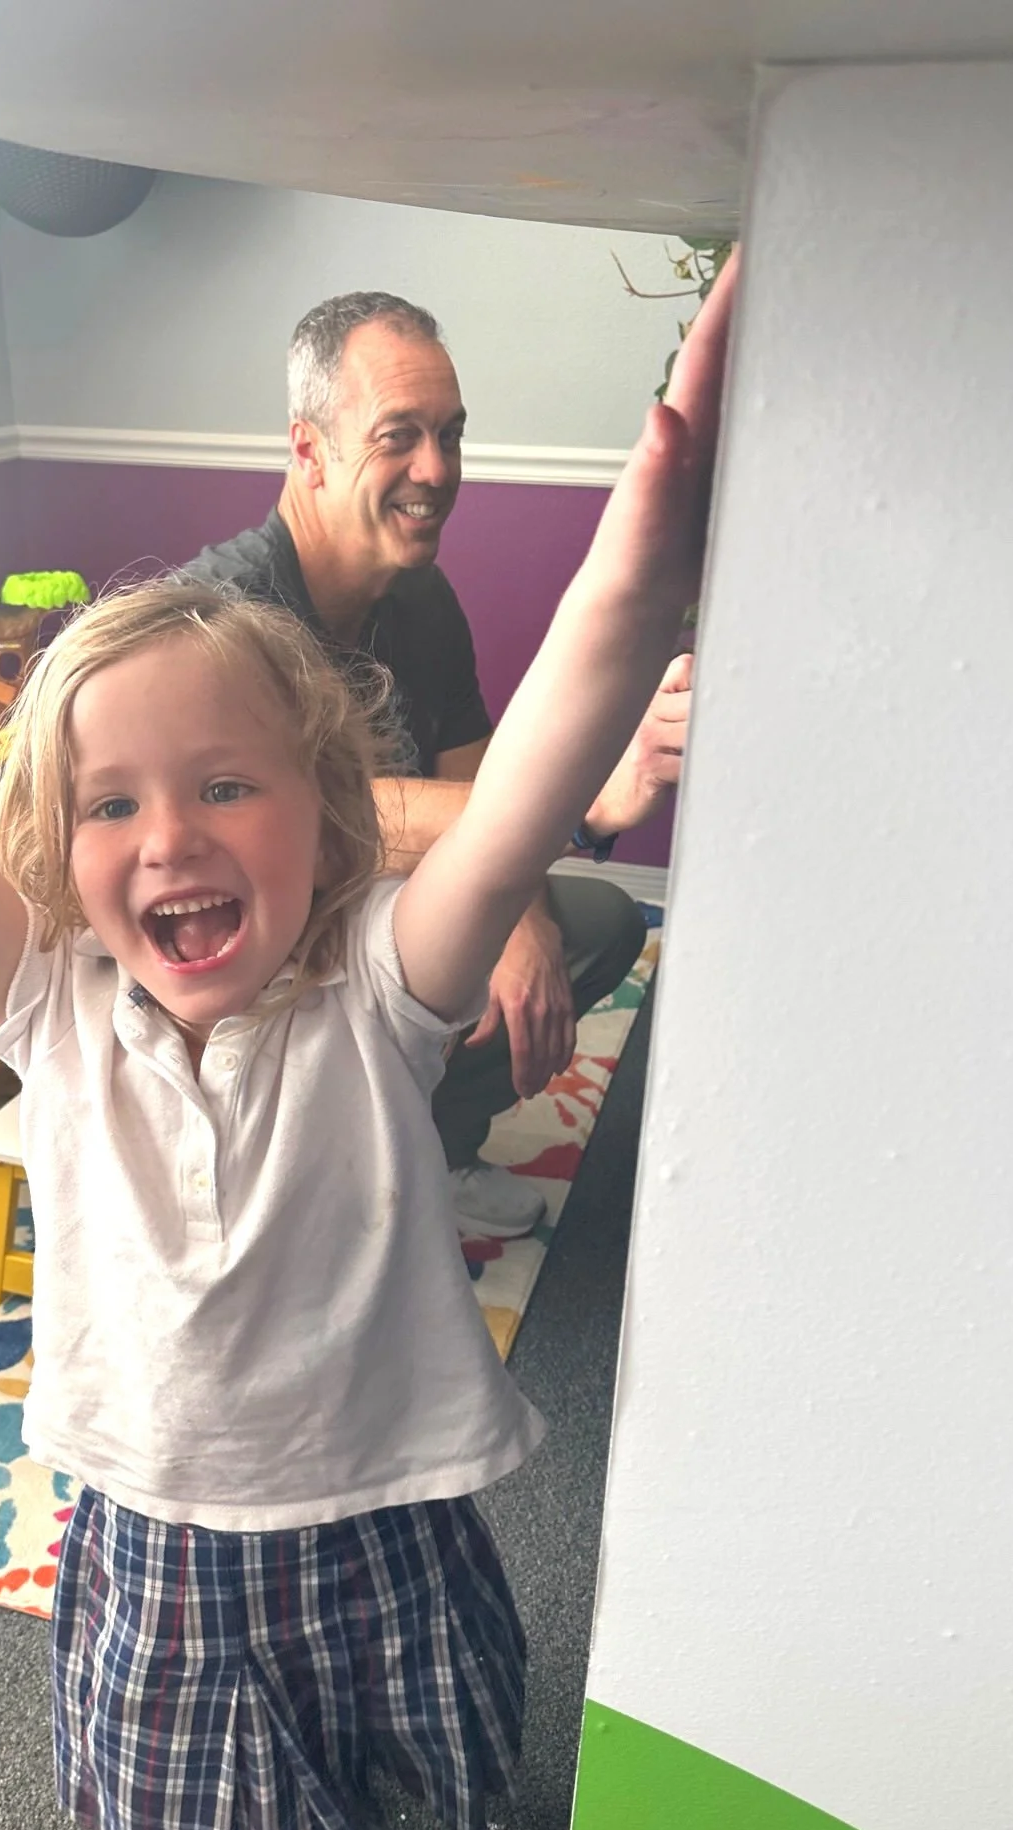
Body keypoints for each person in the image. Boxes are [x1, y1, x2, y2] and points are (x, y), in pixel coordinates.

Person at [0, 253, 734, 1830]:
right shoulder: (49, 994)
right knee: (226, 1819)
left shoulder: (387, 986)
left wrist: (655, 527)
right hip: (160, 1524)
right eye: (112, 804)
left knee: (411, 1745)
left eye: (225, 785)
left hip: (373, 1496)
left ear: (323, 811)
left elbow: (532, 773)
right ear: (61, 841)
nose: (166, 837)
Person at [183, 291, 694, 1240]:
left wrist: (521, 914)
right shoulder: (222, 620)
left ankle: (435, 1150)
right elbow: (322, 816)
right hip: (260, 978)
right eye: (399, 436)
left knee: (599, 925)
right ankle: (310, 1193)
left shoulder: (417, 591)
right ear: (308, 450)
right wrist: (573, 795)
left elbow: (468, 767)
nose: (437, 470)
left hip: (400, 933)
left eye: (451, 435)